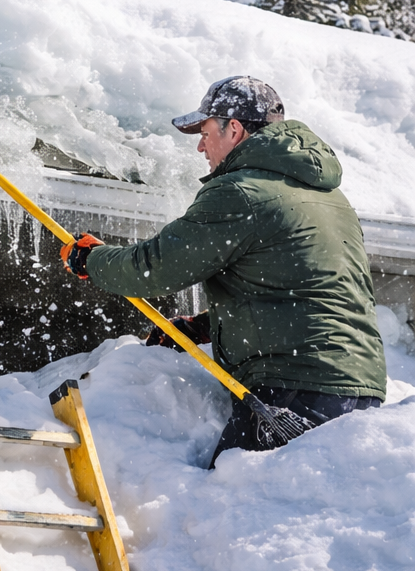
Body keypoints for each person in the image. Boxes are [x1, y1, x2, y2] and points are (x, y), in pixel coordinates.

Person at [70, 75, 386, 464]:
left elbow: (156, 268)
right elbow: (309, 288)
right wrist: (207, 325)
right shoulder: (328, 197)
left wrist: (91, 260)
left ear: (233, 129)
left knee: (233, 503)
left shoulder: (241, 191)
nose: (201, 145)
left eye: (204, 132)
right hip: (357, 387)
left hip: (294, 388)